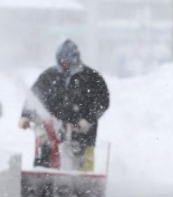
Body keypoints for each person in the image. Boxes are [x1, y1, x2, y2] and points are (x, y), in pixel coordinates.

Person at [18, 39, 110, 172]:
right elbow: (34, 97)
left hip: (83, 132)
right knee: (45, 153)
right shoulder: (49, 76)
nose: (64, 64)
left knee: (82, 166)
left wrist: (88, 119)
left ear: (75, 59)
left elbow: (102, 102)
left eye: (67, 61)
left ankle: (81, 188)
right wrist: (26, 116)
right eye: (61, 61)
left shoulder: (92, 78)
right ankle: (44, 180)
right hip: (54, 129)